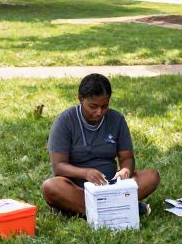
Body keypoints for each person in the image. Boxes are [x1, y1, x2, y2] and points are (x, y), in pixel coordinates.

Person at [41, 73, 160, 216]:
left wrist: (125, 172)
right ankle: (118, 207)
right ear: (81, 99)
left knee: (152, 176)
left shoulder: (117, 120)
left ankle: (91, 209)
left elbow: (127, 158)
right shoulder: (65, 122)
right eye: (93, 106)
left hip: (111, 186)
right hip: (77, 188)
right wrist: (86, 173)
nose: (99, 112)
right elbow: (58, 166)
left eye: (104, 106)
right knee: (50, 187)